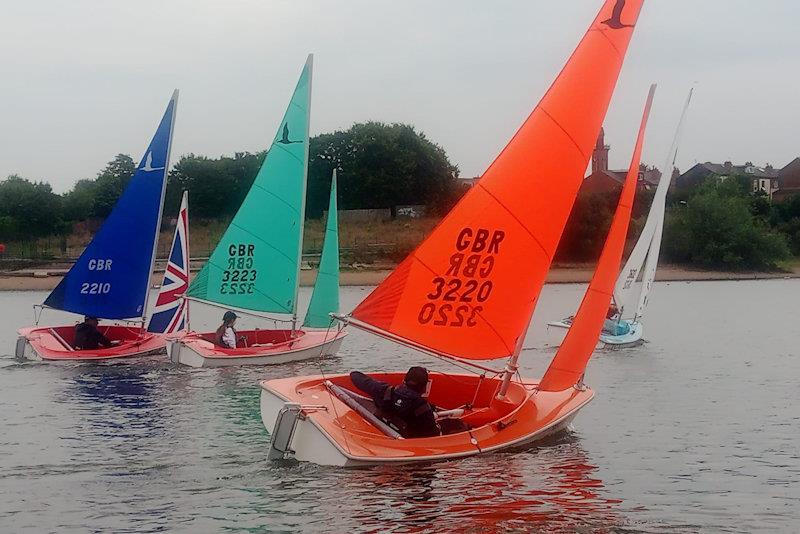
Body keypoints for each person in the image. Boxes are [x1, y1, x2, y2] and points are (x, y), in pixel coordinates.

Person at [349, 366, 440, 438]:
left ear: (403, 381)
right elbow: (434, 435)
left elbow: (354, 375)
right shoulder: (423, 409)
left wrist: (377, 384)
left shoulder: (384, 391)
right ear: (424, 388)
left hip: (382, 433)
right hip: (406, 444)